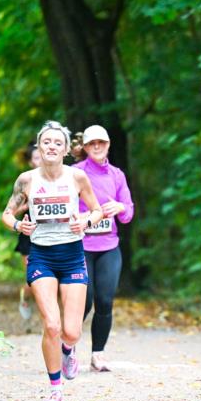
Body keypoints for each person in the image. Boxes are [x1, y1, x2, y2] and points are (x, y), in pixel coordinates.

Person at [2, 120, 103, 401]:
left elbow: (96, 211)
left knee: (71, 331)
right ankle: (55, 388)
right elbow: (7, 214)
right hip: (41, 257)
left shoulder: (77, 178)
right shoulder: (26, 180)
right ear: (39, 146)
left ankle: (68, 349)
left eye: (58, 143)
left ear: (66, 149)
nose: (51, 146)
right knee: (51, 325)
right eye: (46, 142)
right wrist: (18, 225)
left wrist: (84, 221)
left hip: (72, 257)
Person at [72, 125, 135, 372]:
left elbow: (128, 213)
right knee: (83, 301)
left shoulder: (117, 175)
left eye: (102, 142)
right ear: (86, 147)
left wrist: (120, 207)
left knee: (105, 300)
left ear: (108, 145)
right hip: (81, 247)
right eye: (92, 143)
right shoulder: (75, 173)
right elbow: (64, 205)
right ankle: (68, 348)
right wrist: (82, 216)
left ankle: (97, 354)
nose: (97, 146)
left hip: (109, 246)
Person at [15, 142, 40, 321]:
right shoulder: (25, 182)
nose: (40, 160)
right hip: (29, 235)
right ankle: (25, 295)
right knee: (33, 276)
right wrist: (24, 206)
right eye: (36, 158)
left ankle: (47, 315)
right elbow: (11, 212)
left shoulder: (59, 179)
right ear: (31, 162)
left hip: (51, 235)